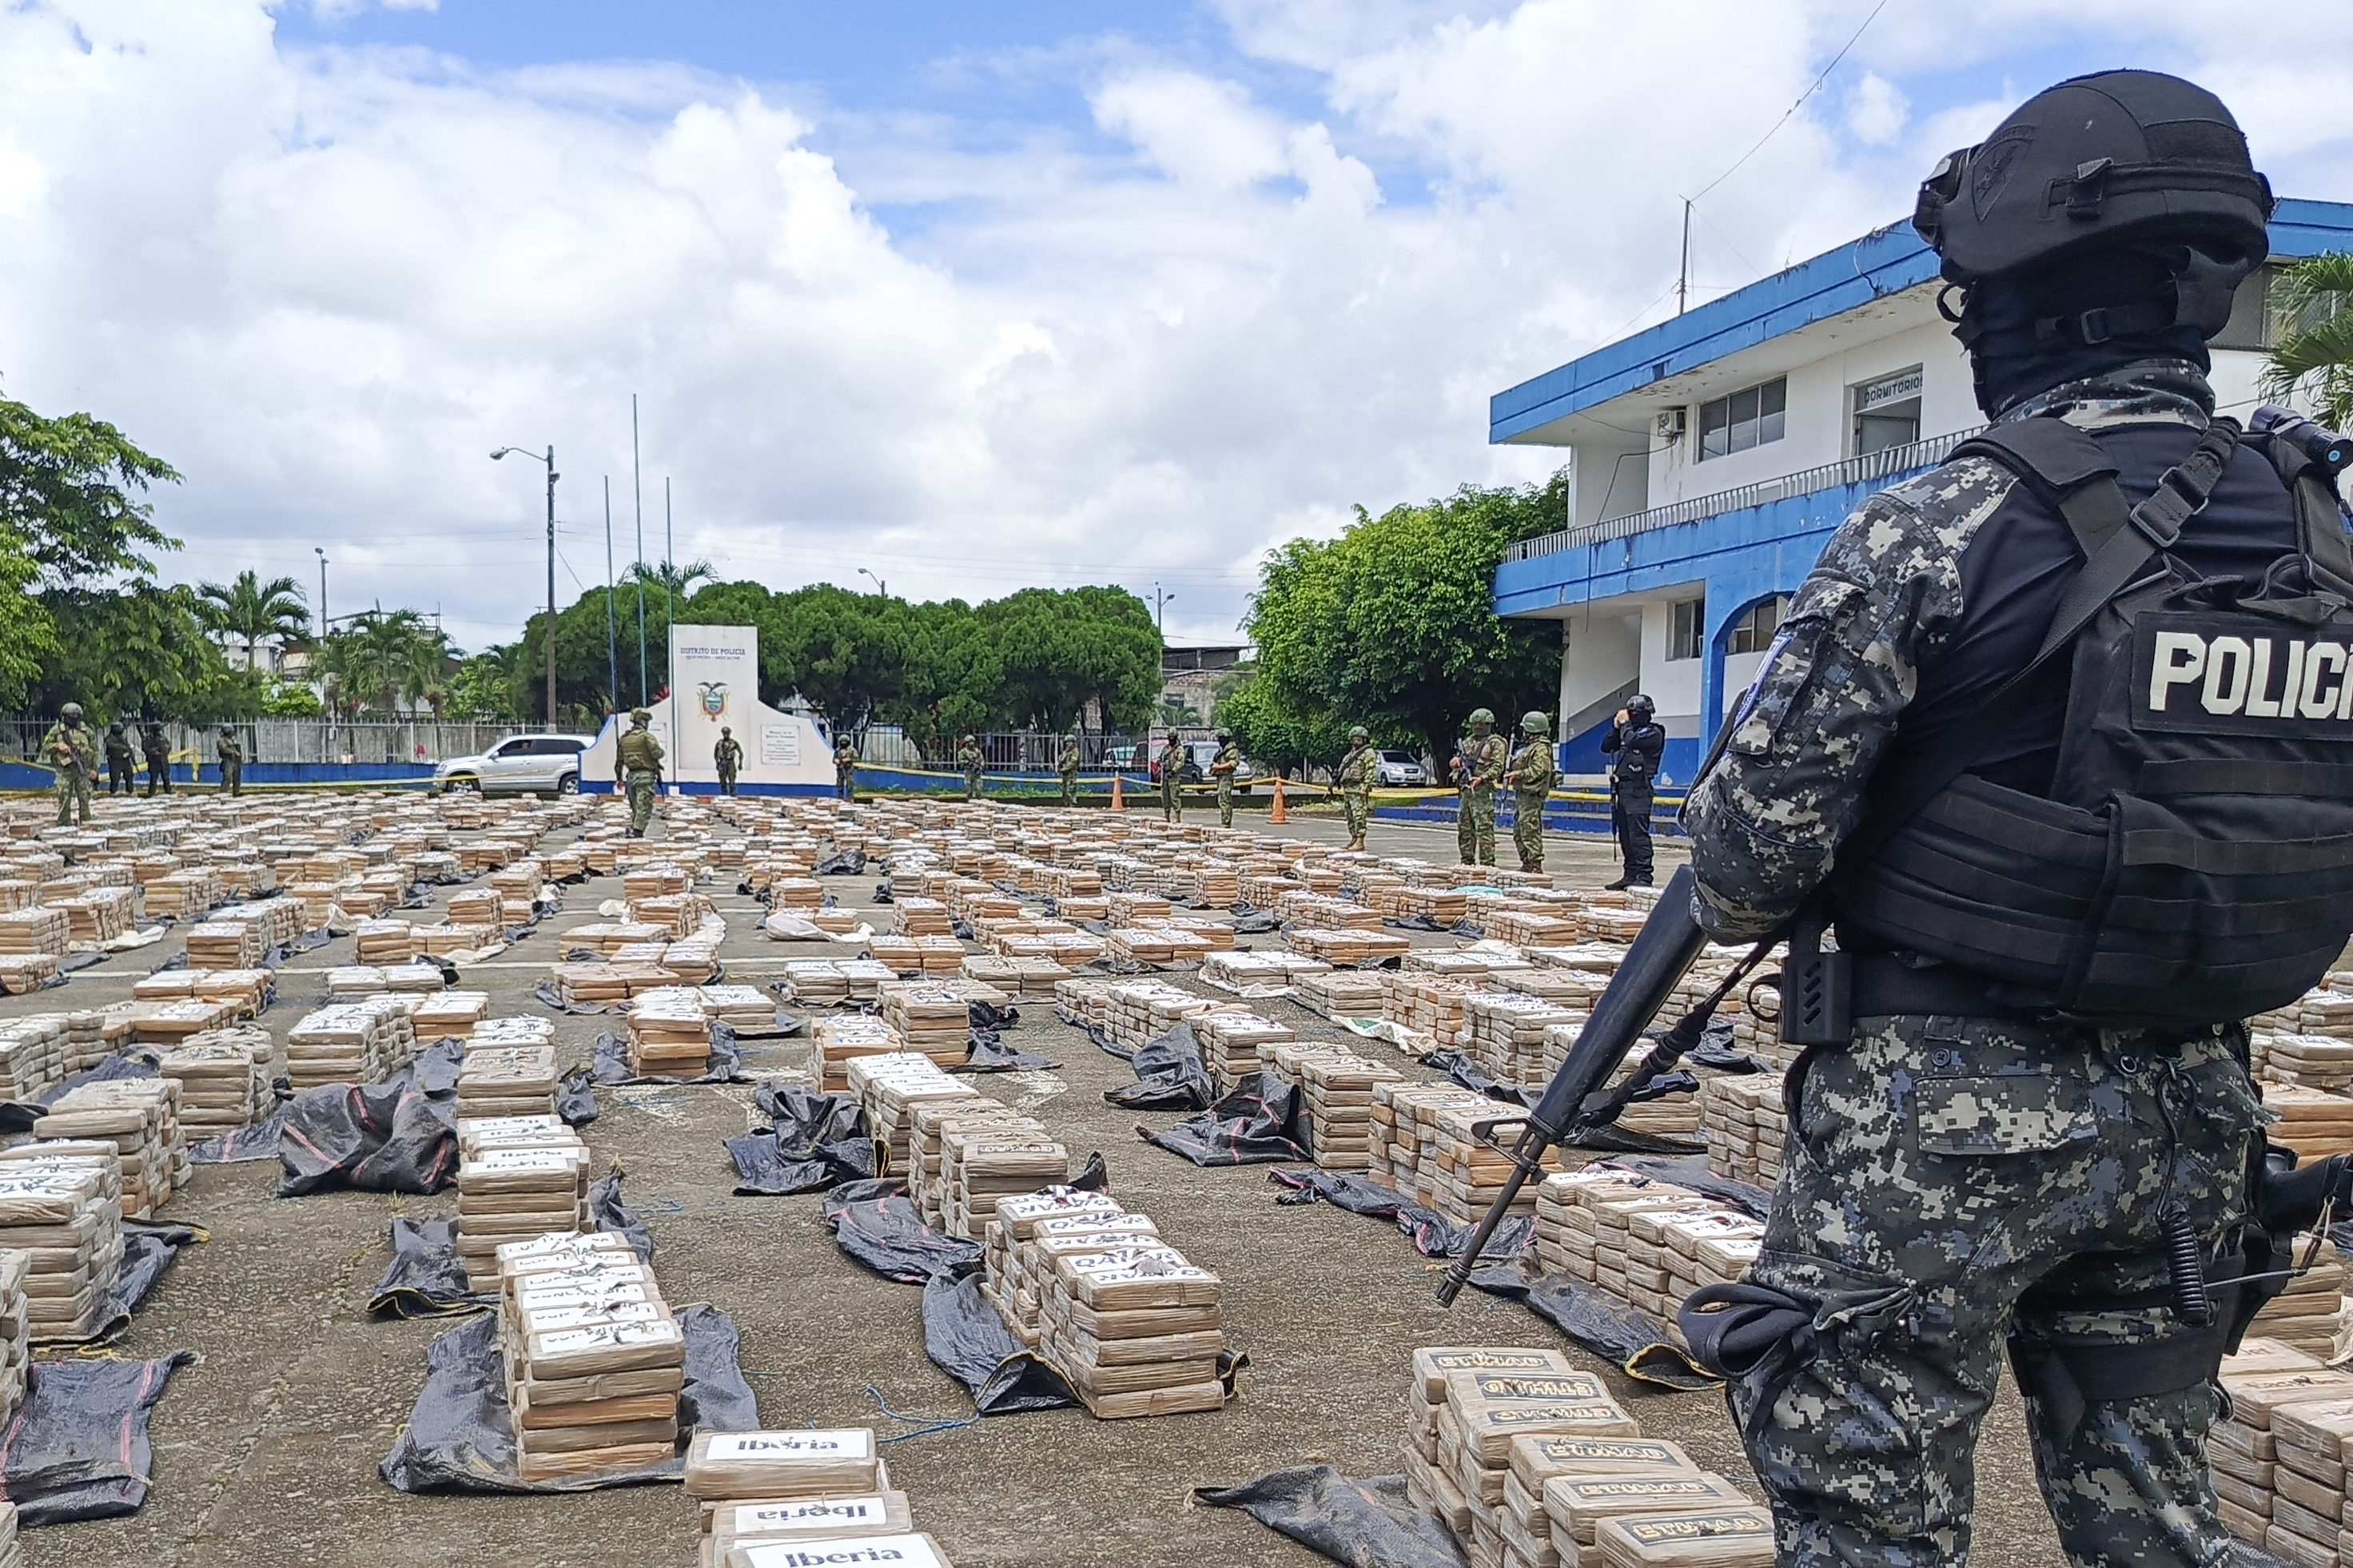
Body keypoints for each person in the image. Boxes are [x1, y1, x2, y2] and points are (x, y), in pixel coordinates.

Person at [1678, 72, 2316, 1568]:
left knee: (1868, 1512)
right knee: (2155, 1521)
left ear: (2012, 299)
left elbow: (1738, 863)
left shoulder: (1945, 521)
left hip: (1936, 1134)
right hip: (2193, 1117)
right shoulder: (2316, 530)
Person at [1599, 695, 1663, 889]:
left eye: (1636, 713)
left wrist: (1625, 724)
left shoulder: (1653, 733)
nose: (1632, 717)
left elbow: (1632, 741)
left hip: (1639, 790)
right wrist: (1616, 727)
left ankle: (1644, 876)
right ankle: (1630, 874)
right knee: (1625, 835)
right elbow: (1607, 746)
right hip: (1623, 789)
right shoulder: (1628, 731)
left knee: (1638, 835)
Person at [1450, 708, 1506, 867]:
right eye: (1476, 724)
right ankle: (1466, 862)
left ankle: (1487, 864)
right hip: (1466, 790)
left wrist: (1482, 778)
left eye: (1482, 724)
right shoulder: (1468, 741)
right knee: (1465, 829)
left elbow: (1498, 767)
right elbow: (1458, 761)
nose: (1478, 727)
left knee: (1484, 829)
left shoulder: (1496, 742)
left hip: (1483, 791)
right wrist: (1455, 762)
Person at [1503, 711, 1556, 874]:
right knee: (1519, 831)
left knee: (1529, 829)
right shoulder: (1529, 748)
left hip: (1532, 795)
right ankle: (1526, 862)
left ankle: (1535, 864)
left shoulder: (1541, 748)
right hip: (1523, 794)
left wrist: (1518, 774)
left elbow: (1539, 770)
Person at [41, 703, 94, 826]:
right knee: (64, 798)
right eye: (71, 716)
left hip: (82, 768)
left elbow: (95, 751)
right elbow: (46, 746)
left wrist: (94, 769)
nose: (74, 718)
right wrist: (58, 746)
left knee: (84, 797)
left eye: (76, 716)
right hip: (64, 770)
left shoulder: (86, 731)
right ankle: (64, 825)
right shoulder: (56, 731)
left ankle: (87, 824)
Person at [616, 708, 664, 838]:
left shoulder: (624, 739)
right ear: (643, 722)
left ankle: (634, 830)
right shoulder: (647, 737)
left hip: (631, 777)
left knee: (636, 807)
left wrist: (619, 778)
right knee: (645, 807)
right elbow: (657, 753)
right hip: (645, 776)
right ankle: (637, 832)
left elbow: (619, 762)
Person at [1334, 726, 1374, 851]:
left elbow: (1370, 771)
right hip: (1348, 789)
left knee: (1359, 816)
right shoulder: (1350, 754)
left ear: (1364, 739)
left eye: (1359, 739)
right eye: (1354, 739)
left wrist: (1365, 787)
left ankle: (1360, 840)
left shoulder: (1368, 753)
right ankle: (1353, 838)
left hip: (1359, 790)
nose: (1356, 742)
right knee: (1350, 816)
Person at [1208, 730, 1241, 827]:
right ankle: (1225, 821)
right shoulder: (1222, 750)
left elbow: (1233, 763)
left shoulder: (1231, 750)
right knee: (1222, 800)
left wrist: (1218, 767)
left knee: (1225, 800)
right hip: (1221, 777)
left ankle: (1226, 823)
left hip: (1226, 778)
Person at [1157, 734, 1184, 823]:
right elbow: (1161, 758)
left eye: (1173, 738)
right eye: (1170, 738)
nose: (1171, 740)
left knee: (1174, 796)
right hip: (1165, 775)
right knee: (1165, 796)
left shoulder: (1179, 749)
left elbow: (1181, 762)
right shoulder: (1166, 748)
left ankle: (1177, 816)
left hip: (1174, 776)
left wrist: (1173, 771)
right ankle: (1166, 815)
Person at [140, 718, 170, 796]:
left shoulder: (162, 737)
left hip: (163, 760)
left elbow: (169, 746)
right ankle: (151, 793)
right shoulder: (148, 738)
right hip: (154, 761)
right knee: (153, 779)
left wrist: (164, 751)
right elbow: (145, 748)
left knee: (166, 778)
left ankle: (168, 792)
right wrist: (154, 752)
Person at [103, 722, 135, 795]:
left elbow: (127, 746)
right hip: (115, 760)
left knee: (129, 775)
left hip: (125, 760)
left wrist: (129, 752)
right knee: (115, 776)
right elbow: (112, 746)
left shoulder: (122, 737)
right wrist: (123, 748)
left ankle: (130, 790)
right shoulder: (110, 738)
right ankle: (113, 791)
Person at [713, 726, 743, 797]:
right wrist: (717, 763)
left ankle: (733, 792)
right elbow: (715, 753)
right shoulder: (719, 743)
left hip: (730, 762)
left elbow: (741, 753)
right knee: (722, 777)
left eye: (727, 733)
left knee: (732, 777)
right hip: (722, 761)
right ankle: (724, 792)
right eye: (724, 733)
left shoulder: (734, 743)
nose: (726, 735)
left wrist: (740, 763)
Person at [216, 726, 243, 797]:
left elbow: (237, 747)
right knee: (228, 778)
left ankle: (236, 793)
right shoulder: (222, 740)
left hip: (236, 761)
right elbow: (224, 749)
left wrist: (240, 755)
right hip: (228, 761)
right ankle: (223, 794)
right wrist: (233, 752)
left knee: (237, 778)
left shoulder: (233, 739)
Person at [1057, 732, 1081, 807]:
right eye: (1066, 742)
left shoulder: (1075, 752)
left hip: (1071, 773)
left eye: (1069, 742)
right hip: (1065, 774)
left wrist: (1064, 769)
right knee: (1064, 790)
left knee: (1070, 789)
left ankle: (1072, 804)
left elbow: (1073, 763)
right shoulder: (1066, 752)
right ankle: (1066, 803)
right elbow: (1061, 760)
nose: (1068, 744)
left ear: (1073, 743)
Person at [956, 734, 983, 800]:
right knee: (969, 789)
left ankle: (978, 801)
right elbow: (960, 760)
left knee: (978, 788)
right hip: (969, 772)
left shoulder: (977, 751)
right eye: (970, 742)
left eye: (973, 741)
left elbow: (981, 759)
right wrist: (968, 763)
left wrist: (980, 766)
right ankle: (969, 800)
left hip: (977, 772)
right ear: (967, 743)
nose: (972, 743)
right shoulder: (964, 752)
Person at [833, 734, 859, 802]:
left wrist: (849, 759)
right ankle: (840, 799)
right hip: (840, 770)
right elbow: (834, 759)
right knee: (839, 785)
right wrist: (836, 760)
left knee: (850, 784)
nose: (843, 744)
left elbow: (857, 759)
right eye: (842, 742)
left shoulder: (852, 750)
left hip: (848, 769)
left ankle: (851, 798)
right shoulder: (838, 750)